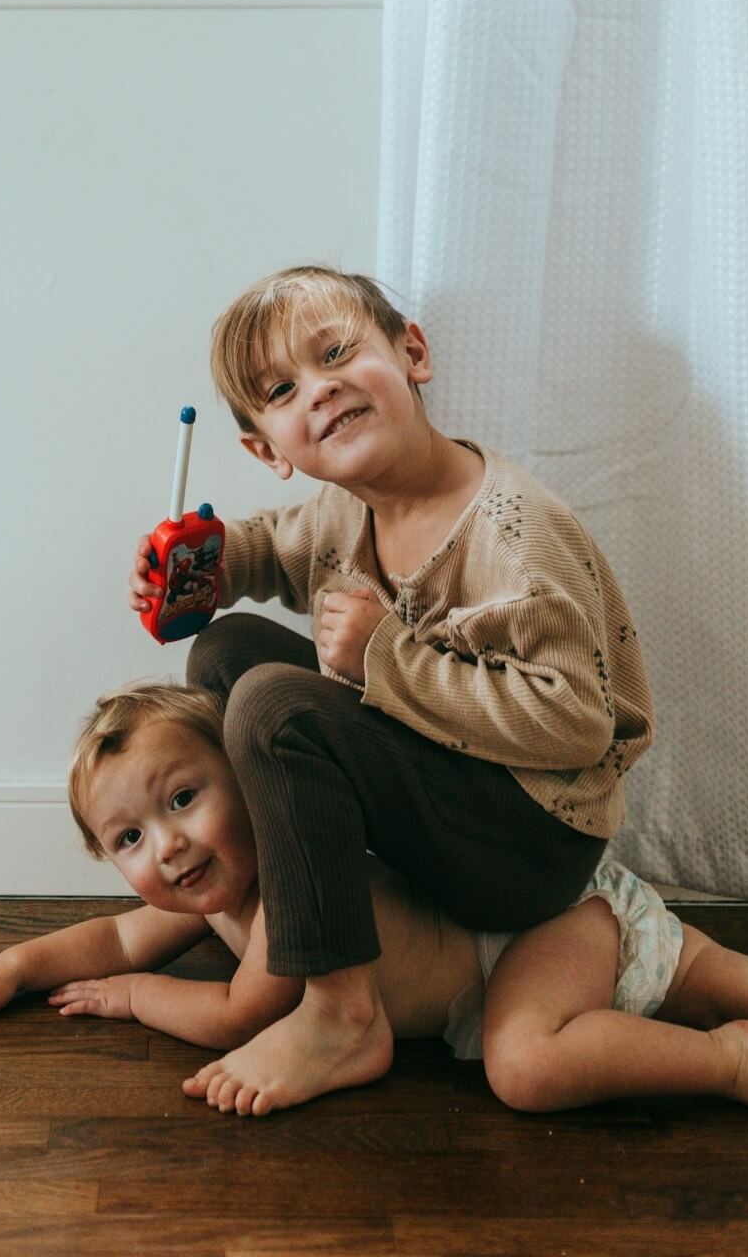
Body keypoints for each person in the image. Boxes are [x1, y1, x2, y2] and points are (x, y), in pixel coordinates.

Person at [0, 683, 748, 1121]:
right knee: (747, 968)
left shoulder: (296, 879)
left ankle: (732, 1059)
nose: (173, 845)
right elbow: (103, 929)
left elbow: (236, 1011)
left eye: (187, 796)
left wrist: (126, 996)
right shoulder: (206, 893)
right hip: (540, 937)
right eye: (130, 837)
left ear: (254, 784)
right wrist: (15, 967)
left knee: (531, 1064)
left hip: (540, 928)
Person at [124, 265, 654, 1111]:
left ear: (412, 353)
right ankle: (296, 905)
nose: (322, 388)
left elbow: (577, 724)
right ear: (270, 450)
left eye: (337, 352)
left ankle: (340, 1013)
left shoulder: (514, 533)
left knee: (270, 705)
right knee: (224, 653)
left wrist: (387, 659)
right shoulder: (348, 509)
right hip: (453, 790)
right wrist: (209, 562)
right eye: (284, 388)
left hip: (529, 839)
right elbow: (274, 545)